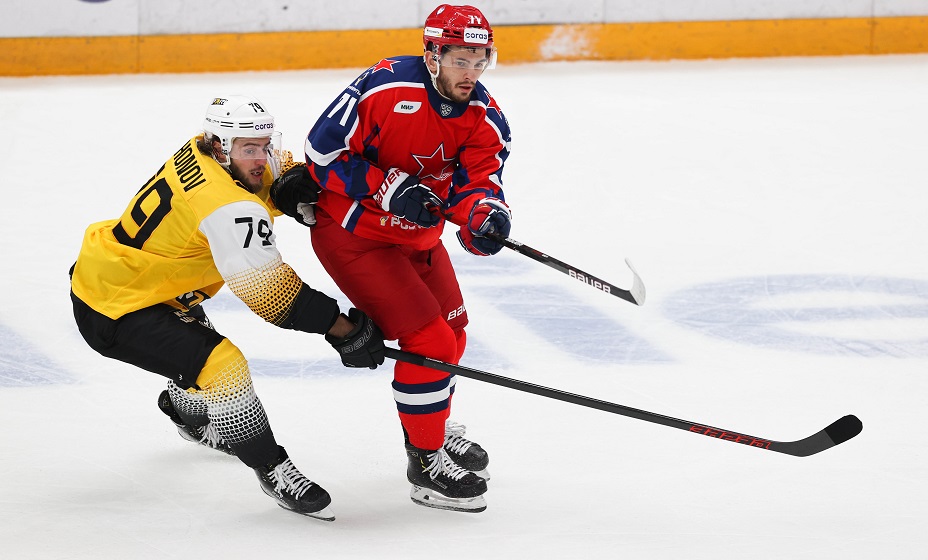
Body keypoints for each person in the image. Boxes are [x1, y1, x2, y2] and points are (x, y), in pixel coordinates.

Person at [69, 95, 386, 522]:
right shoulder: (227, 206)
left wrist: (291, 177)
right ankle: (272, 468)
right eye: (249, 149)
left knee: (192, 355)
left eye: (264, 146)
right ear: (222, 147)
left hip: (132, 277)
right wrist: (340, 328)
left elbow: (271, 169)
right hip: (115, 309)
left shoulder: (205, 148)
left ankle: (185, 414)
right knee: (224, 367)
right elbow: (271, 295)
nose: (261, 159)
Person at [272, 4, 511, 513]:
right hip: (354, 234)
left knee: (454, 332)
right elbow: (323, 154)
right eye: (460, 61)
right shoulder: (385, 87)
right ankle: (425, 464)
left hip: (417, 239)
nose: (470, 74)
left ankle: (432, 428)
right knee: (430, 341)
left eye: (479, 62)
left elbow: (479, 182)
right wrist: (388, 187)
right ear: (433, 55)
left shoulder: (484, 117)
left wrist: (483, 217)